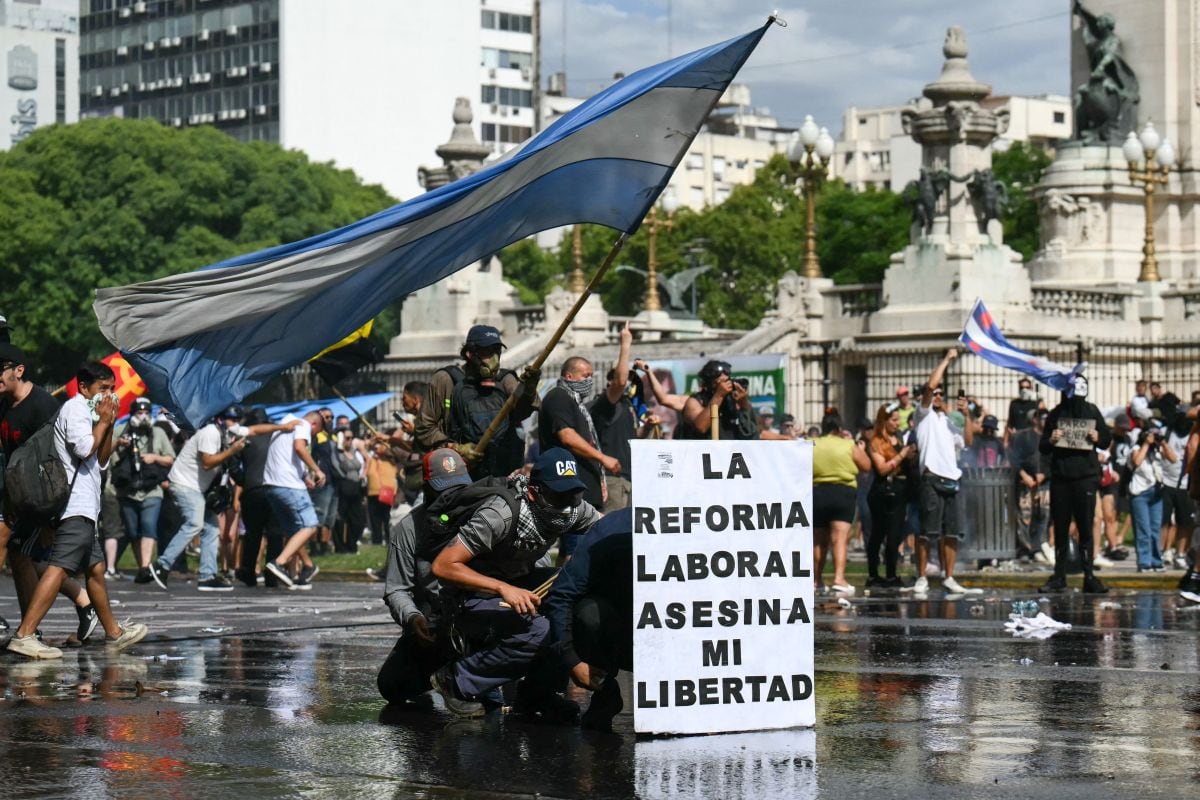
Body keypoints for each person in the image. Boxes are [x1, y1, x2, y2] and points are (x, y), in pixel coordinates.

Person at [429, 447, 601, 719]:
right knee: (541, 628)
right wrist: (502, 588)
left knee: (575, 607)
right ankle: (456, 680)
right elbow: (443, 565)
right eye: (560, 496)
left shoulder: (573, 509)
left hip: (518, 582)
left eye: (574, 495)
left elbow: (607, 528)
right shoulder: (501, 514)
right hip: (470, 596)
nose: (568, 505)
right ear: (534, 492)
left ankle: (538, 695)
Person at [6, 362, 148, 659]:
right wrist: (101, 422)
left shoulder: (95, 414)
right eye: (102, 389)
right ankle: (25, 634)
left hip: (87, 505)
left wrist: (108, 421)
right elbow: (84, 449)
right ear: (84, 387)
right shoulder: (75, 409)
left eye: (111, 389)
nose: (108, 395)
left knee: (95, 570)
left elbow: (103, 458)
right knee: (59, 568)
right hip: (73, 504)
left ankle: (114, 633)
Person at [0, 344, 99, 644]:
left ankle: (30, 631)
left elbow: (58, 464)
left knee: (21, 553)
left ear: (19, 370)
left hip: (46, 499)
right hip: (19, 496)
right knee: (24, 558)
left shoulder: (43, 405)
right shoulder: (4, 405)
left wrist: (49, 518)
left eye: (0, 369)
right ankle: (82, 604)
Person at [151, 407, 294, 591]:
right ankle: (161, 565)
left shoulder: (228, 430)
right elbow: (208, 462)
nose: (234, 423)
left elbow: (255, 430)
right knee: (195, 523)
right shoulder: (210, 432)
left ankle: (207, 576)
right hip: (184, 483)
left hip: (199, 487)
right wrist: (232, 450)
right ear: (220, 419)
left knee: (212, 528)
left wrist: (282, 427)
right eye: (230, 419)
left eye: (237, 420)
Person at [377, 447, 473, 704]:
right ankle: (444, 672)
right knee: (392, 684)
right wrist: (412, 616)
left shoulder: (486, 515)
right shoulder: (408, 528)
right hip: (437, 621)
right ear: (428, 488)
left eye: (459, 488)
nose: (452, 497)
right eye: (444, 490)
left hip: (481, 617)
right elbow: (396, 588)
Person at [542, 508, 634, 731]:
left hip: (687, 640)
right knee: (588, 612)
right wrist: (573, 661)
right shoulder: (613, 529)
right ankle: (605, 692)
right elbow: (562, 595)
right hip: (623, 632)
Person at [415, 325, 539, 478]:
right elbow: (424, 429)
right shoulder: (446, 380)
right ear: (470, 354)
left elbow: (522, 412)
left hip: (503, 475)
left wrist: (529, 390)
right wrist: (455, 448)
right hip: (459, 474)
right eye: (487, 352)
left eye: (497, 351)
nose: (494, 358)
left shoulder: (505, 380)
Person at [909, 349, 981, 596]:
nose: (938, 395)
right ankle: (921, 577)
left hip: (952, 478)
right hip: (931, 477)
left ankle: (948, 576)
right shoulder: (923, 415)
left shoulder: (950, 421)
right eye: (936, 394)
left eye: (941, 394)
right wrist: (948, 360)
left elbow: (968, 441)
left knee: (951, 532)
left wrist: (966, 414)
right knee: (927, 532)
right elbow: (930, 385)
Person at [1038, 373, 1113, 593]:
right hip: (1061, 479)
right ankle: (1059, 575)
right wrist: (1052, 439)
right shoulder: (1056, 414)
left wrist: (1098, 437)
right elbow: (1043, 446)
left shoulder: (1091, 411)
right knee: (1060, 528)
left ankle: (1089, 575)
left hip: (1086, 479)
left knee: (1085, 527)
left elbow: (1107, 440)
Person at [589, 323, 658, 511]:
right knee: (613, 536)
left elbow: (635, 436)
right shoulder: (604, 403)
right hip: (612, 480)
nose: (627, 381)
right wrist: (625, 344)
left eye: (631, 378)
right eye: (624, 376)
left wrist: (649, 426)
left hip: (628, 479)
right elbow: (619, 382)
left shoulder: (628, 405)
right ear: (610, 379)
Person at [540, 356, 617, 515]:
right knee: (577, 539)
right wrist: (603, 458)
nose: (589, 381)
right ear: (569, 376)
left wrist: (599, 478)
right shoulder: (558, 397)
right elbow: (567, 437)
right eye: (585, 375)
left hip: (587, 493)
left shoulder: (578, 405)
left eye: (591, 376)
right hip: (570, 493)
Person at [110, 397, 175, 583]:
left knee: (148, 526)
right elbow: (106, 454)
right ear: (132, 414)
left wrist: (154, 457)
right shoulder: (120, 431)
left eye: (147, 413)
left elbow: (170, 458)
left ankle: (145, 567)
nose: (144, 417)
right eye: (140, 413)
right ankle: (142, 567)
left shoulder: (158, 433)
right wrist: (120, 445)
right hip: (127, 490)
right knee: (132, 531)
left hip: (152, 489)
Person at [262, 411, 327, 589]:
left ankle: (306, 566)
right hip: (288, 485)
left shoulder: (285, 424)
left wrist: (304, 475)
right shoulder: (303, 425)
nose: (311, 438)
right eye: (315, 434)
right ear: (315, 425)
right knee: (310, 525)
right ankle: (279, 562)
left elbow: (286, 456)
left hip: (271, 485)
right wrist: (317, 470)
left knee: (294, 530)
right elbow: (299, 447)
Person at [812, 410, 871, 595]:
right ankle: (839, 578)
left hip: (817, 492)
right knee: (840, 538)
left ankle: (816, 580)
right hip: (843, 493)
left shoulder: (812, 443)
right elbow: (867, 466)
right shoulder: (848, 445)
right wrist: (858, 448)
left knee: (818, 541)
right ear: (839, 427)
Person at [866, 403, 916, 588]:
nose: (897, 424)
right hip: (882, 492)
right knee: (878, 533)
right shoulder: (876, 442)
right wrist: (901, 456)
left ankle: (891, 574)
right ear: (884, 421)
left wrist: (910, 456)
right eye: (893, 420)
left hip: (900, 491)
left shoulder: (900, 439)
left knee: (895, 535)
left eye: (898, 420)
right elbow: (882, 469)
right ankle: (872, 574)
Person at [234, 408, 284, 588]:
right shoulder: (277, 437)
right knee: (275, 534)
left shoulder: (246, 438)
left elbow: (232, 462)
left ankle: (248, 571)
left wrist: (242, 479)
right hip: (275, 488)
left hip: (252, 489)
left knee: (252, 535)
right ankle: (272, 573)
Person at [1127, 422, 1175, 573]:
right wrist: (1146, 444)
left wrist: (1163, 443)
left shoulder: (1158, 450)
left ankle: (1156, 561)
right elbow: (1137, 461)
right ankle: (1144, 562)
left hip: (1156, 492)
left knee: (1155, 529)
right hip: (1140, 493)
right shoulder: (1135, 449)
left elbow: (1174, 459)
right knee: (1143, 530)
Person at [676, 360, 758, 441]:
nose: (726, 385)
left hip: (731, 451)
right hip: (705, 452)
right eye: (721, 382)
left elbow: (750, 431)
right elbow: (701, 427)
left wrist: (743, 402)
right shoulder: (695, 401)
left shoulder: (733, 399)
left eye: (727, 381)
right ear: (710, 384)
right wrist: (718, 396)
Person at [1008, 409, 1051, 562]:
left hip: (1044, 483)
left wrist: (1044, 474)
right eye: (1043, 418)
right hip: (1025, 482)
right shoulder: (1023, 437)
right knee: (1025, 516)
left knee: (1043, 515)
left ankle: (1037, 547)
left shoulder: (1051, 438)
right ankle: (1025, 549)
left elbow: (1053, 460)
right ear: (1035, 420)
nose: (1045, 421)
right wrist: (1024, 475)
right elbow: (1014, 458)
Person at [1160, 408, 1195, 570]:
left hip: (1185, 483)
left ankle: (1180, 553)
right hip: (1166, 482)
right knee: (1164, 521)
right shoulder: (1166, 432)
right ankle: (1163, 551)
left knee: (1185, 522)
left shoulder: (1193, 434)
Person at [307, 407, 338, 556]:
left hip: (335, 482)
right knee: (318, 516)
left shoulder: (334, 437)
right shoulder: (316, 436)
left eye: (332, 417)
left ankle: (324, 548)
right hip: (321, 482)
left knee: (329, 519)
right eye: (326, 417)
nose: (329, 420)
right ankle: (313, 548)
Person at [365, 438, 399, 545]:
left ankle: (388, 540)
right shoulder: (372, 460)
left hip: (387, 492)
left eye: (378, 446)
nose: (376, 449)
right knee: (376, 519)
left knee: (386, 518)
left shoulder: (390, 460)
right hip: (375, 493)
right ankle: (377, 540)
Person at [1004, 378, 1042, 448]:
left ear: (1031, 388)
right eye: (1022, 387)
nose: (1024, 390)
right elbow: (1009, 423)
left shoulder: (1036, 403)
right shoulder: (1014, 403)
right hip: (1018, 439)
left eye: (1027, 387)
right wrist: (1006, 441)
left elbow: (1042, 422)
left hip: (1032, 440)